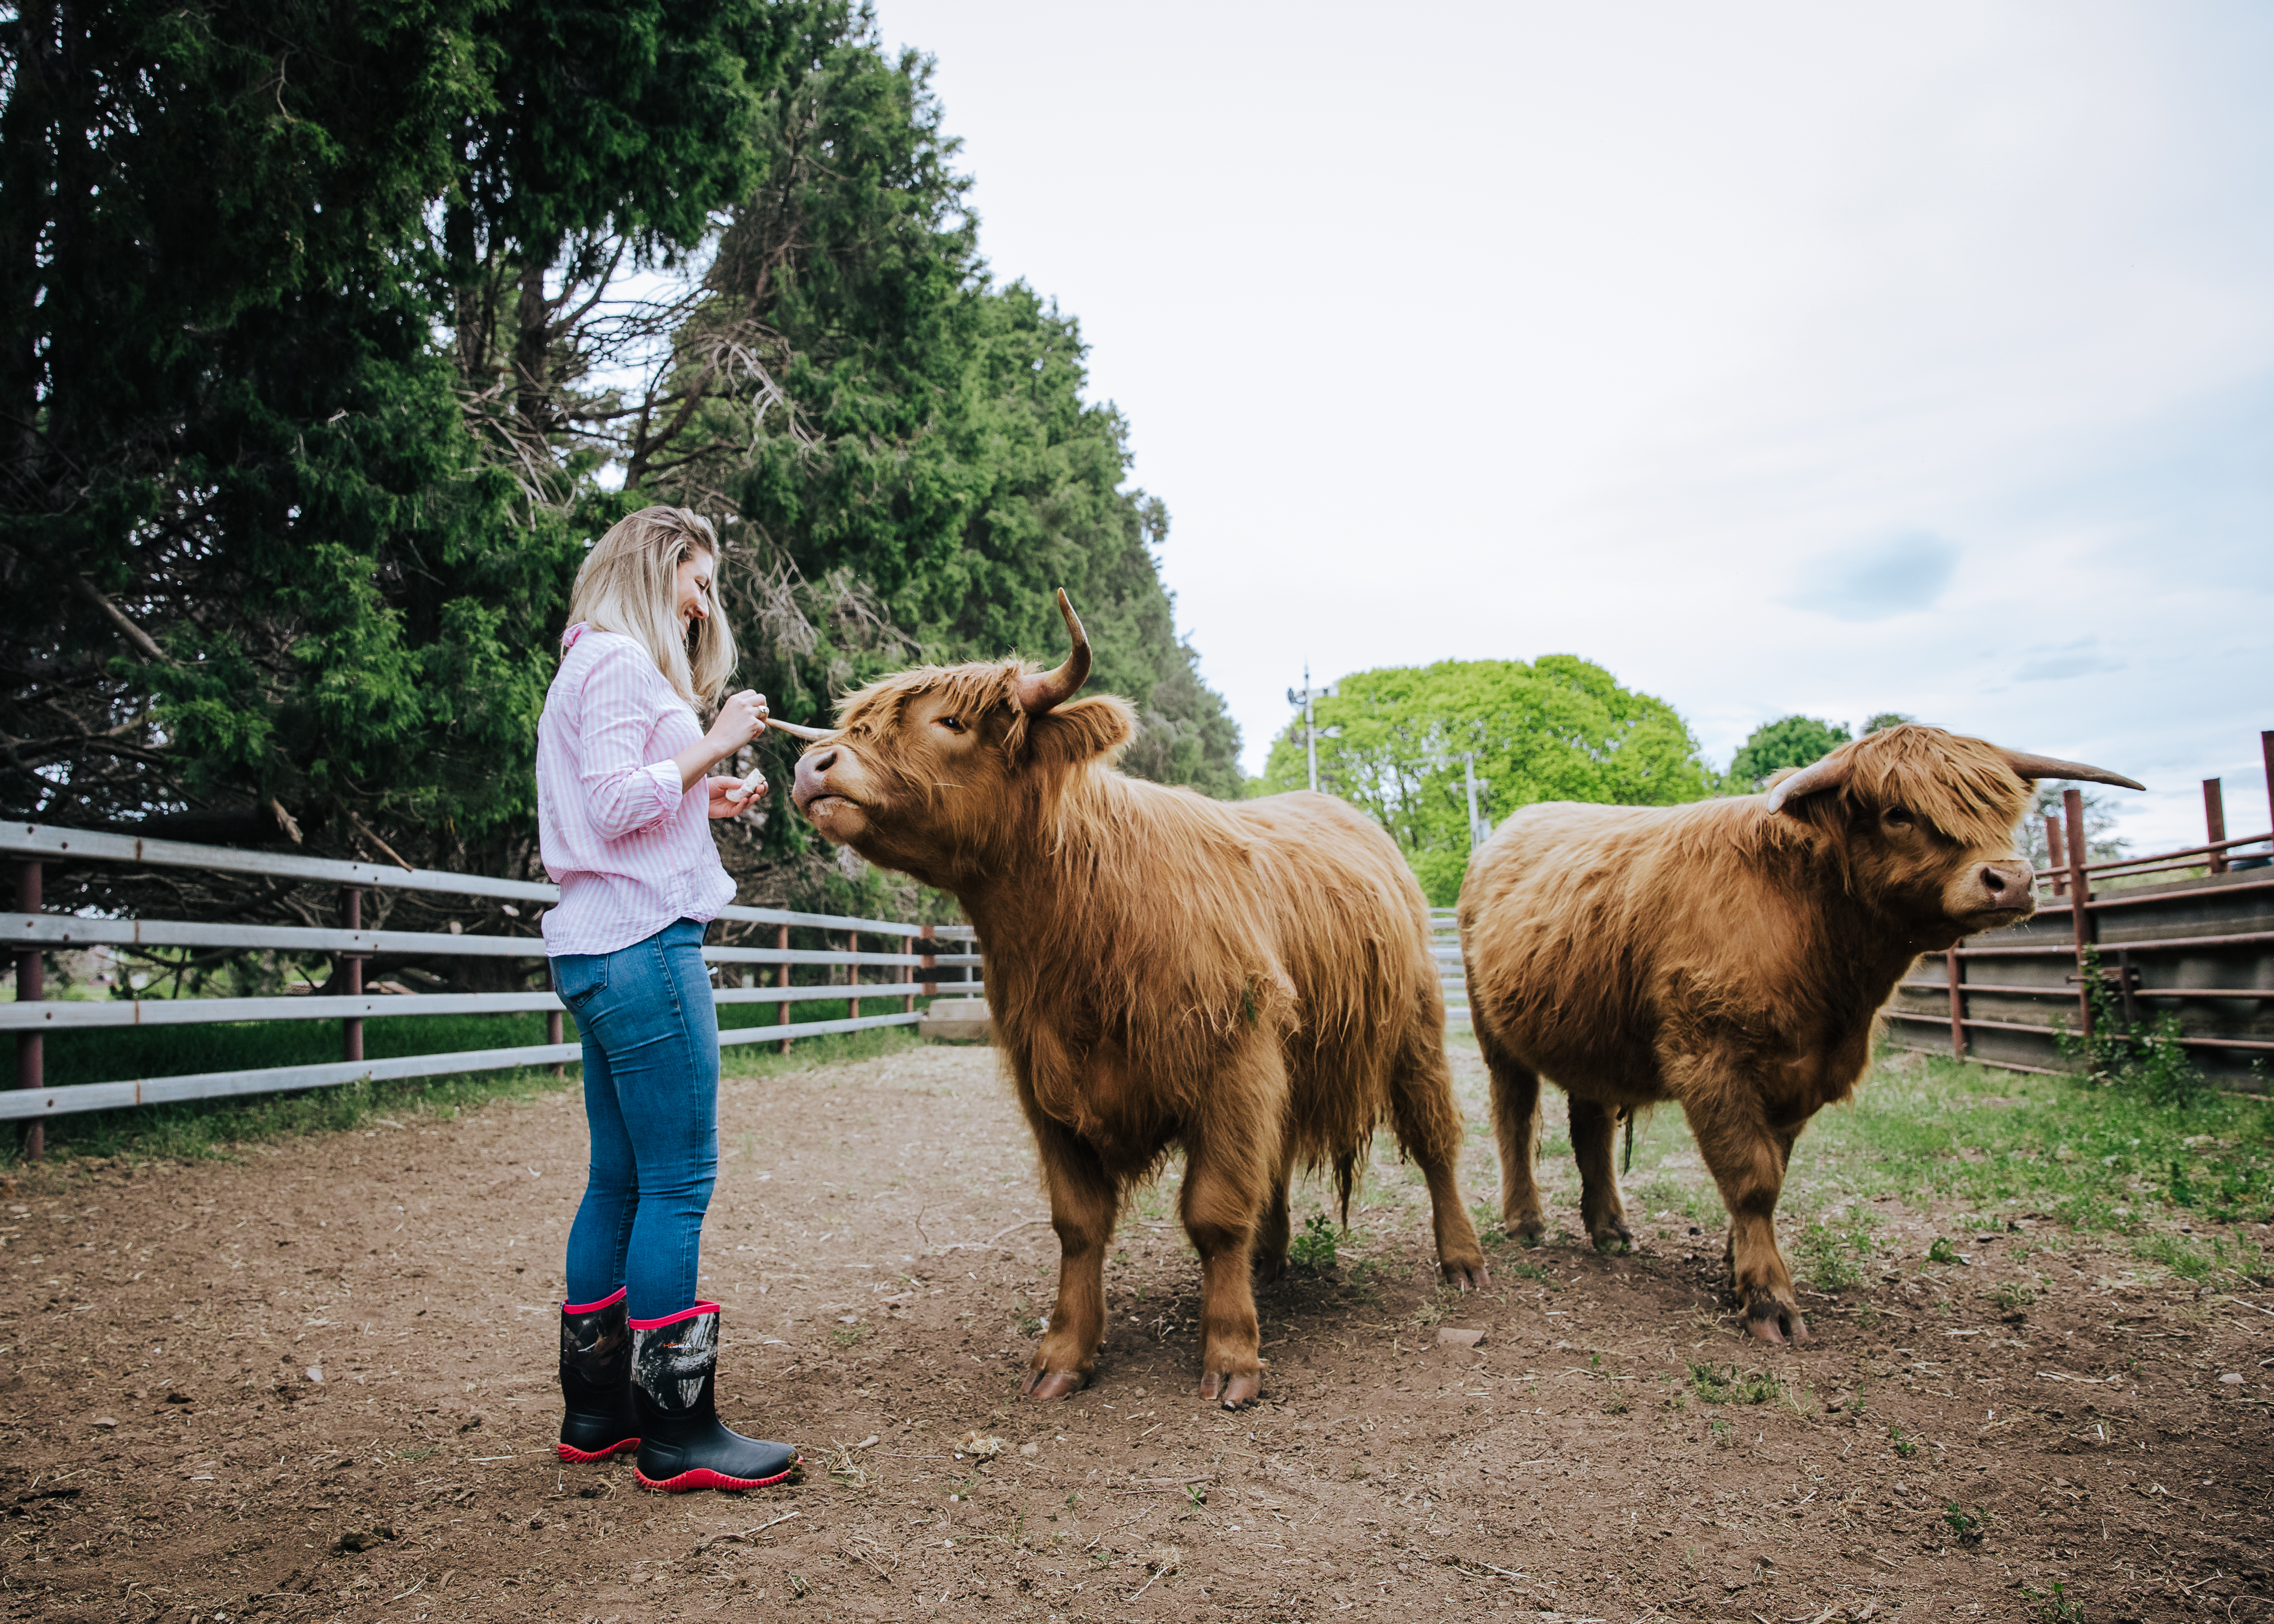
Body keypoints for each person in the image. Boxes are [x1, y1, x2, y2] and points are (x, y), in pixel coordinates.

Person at [536, 505, 795, 1493]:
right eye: (696, 579)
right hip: (644, 948)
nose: (703, 602)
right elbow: (609, 803)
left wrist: (704, 791)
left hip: (605, 945)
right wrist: (716, 737)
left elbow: (615, 806)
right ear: (651, 571)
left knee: (619, 1181)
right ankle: (679, 1429)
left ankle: (597, 1409)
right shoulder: (613, 664)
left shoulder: (592, 666)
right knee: (678, 1181)